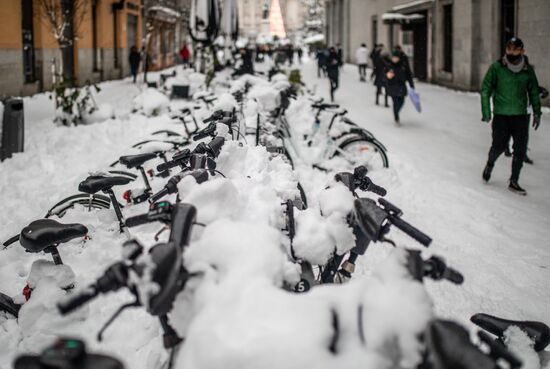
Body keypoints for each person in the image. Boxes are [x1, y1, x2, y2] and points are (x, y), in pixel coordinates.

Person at [481, 37, 541, 195]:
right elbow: (486, 88)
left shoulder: (528, 70)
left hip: (520, 116)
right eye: (509, 49)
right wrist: (486, 111)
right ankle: (490, 163)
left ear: (522, 51)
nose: (512, 53)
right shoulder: (497, 67)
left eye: (515, 49)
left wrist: (537, 112)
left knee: (519, 150)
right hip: (501, 116)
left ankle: (514, 181)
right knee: (499, 147)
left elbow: (534, 91)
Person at [385, 49, 415, 123]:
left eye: (396, 58)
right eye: (393, 57)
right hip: (392, 86)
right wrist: (388, 76)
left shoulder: (403, 66)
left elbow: (409, 76)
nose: (394, 59)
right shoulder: (389, 66)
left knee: (401, 101)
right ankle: (396, 117)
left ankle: (396, 112)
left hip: (401, 85)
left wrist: (411, 85)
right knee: (395, 102)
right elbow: (385, 76)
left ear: (399, 58)